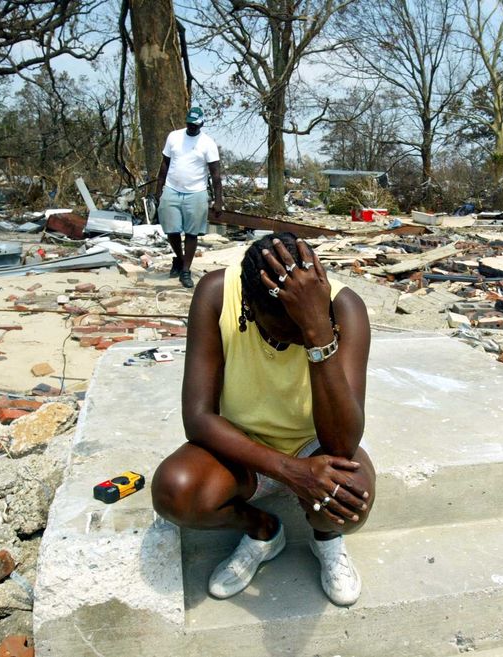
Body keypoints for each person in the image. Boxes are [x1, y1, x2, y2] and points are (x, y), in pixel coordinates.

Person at [151, 232, 374, 606]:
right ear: (251, 310)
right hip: (242, 444)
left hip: (314, 445)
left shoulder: (345, 308)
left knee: (350, 499)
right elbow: (199, 418)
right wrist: (290, 472)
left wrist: (319, 333)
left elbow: (343, 443)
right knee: (175, 490)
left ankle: (327, 540)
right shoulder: (217, 293)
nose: (294, 344)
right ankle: (264, 532)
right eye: (283, 333)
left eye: (302, 336)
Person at [155, 106, 223, 289]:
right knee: (172, 230)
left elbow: (215, 175)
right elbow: (165, 164)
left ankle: (185, 270)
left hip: (196, 192)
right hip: (172, 188)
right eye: (189, 124)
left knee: (192, 233)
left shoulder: (208, 143)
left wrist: (218, 201)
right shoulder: (174, 137)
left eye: (195, 125)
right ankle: (179, 257)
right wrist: (158, 188)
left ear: (201, 124)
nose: (191, 127)